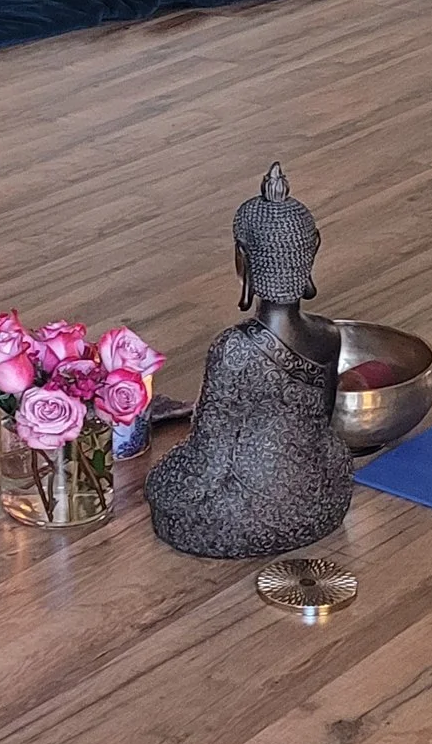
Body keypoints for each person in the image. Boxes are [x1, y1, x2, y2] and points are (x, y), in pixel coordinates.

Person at [146, 164, 355, 559]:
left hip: (250, 509)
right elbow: (321, 429)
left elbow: (210, 455)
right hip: (322, 493)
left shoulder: (234, 348)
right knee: (334, 457)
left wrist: (164, 478)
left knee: (165, 487)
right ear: (311, 251)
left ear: (242, 258)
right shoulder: (329, 333)